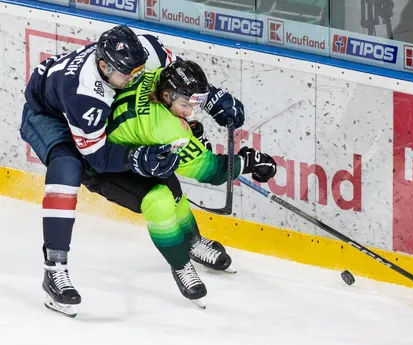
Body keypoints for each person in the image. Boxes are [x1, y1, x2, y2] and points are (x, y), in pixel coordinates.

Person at [19, 25, 245, 317]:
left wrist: (211, 97)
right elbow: (98, 158)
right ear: (104, 65)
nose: (136, 78)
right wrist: (137, 158)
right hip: (50, 115)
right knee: (68, 167)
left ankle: (191, 241)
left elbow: (176, 76)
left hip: (93, 113)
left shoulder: (145, 51)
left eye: (139, 70)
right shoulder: (85, 94)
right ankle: (54, 269)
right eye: (129, 74)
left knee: (160, 164)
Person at [81, 60, 277, 309]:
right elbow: (213, 172)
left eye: (195, 104)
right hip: (102, 167)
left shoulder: (156, 76)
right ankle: (180, 264)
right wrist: (247, 162)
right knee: (159, 200)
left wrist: (210, 101)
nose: (190, 111)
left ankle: (193, 242)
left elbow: (178, 83)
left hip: (131, 147)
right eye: (186, 105)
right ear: (166, 95)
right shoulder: (167, 130)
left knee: (174, 194)